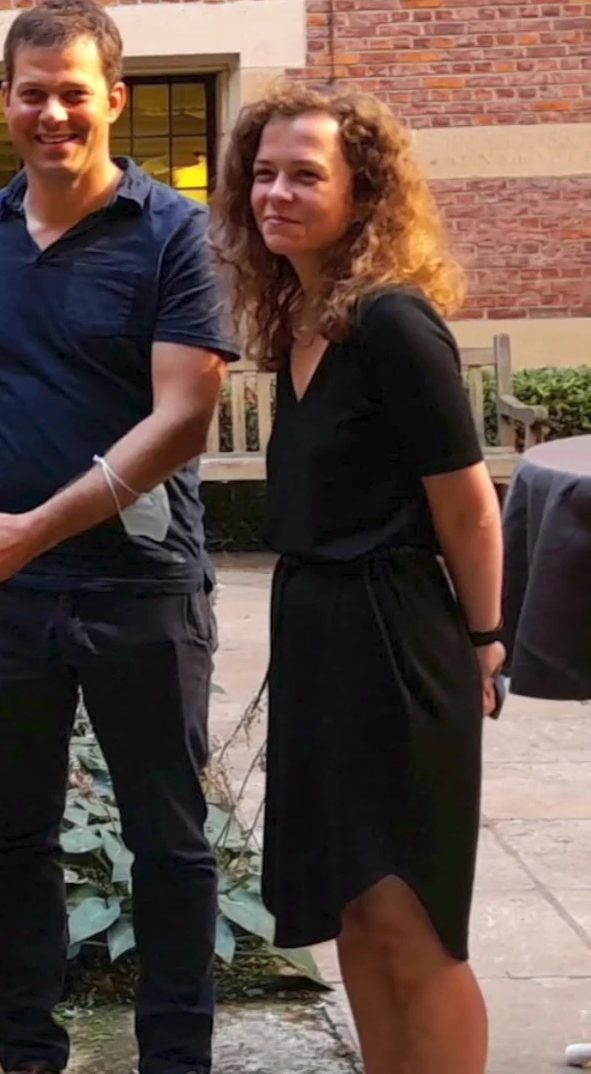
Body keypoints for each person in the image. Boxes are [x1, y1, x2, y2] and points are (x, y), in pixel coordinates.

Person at [0, 0, 237, 1072]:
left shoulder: (177, 230)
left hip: (140, 583)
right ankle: (27, 1053)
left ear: (115, 98)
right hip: (3, 595)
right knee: (16, 837)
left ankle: (175, 1060)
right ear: (3, 99)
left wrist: (27, 536)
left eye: (72, 93)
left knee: (169, 841)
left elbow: (182, 415)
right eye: (30, 93)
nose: (51, 113)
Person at [209, 78, 501, 1074]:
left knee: (415, 916)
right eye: (264, 174)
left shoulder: (392, 325)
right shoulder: (296, 319)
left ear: (362, 194)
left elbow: (468, 504)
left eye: (306, 175)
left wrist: (487, 640)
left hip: (402, 634)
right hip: (322, 631)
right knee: (359, 913)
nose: (277, 193)